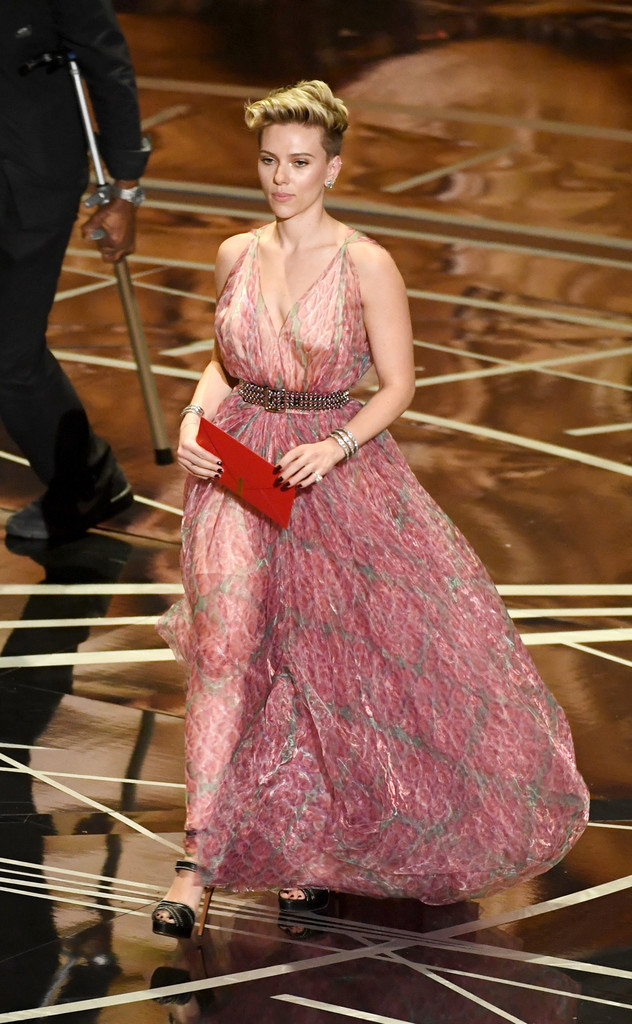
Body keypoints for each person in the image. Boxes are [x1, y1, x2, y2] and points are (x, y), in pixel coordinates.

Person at [154, 80, 589, 937]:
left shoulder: (366, 265)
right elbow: (223, 363)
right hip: (238, 466)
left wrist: (336, 445)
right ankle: (196, 861)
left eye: (299, 163)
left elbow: (397, 385)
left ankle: (303, 846)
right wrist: (191, 420)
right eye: (269, 161)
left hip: (327, 474)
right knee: (228, 651)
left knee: (322, 662)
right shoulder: (235, 253)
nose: (281, 178)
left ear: (332, 168)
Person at [0, 0, 150, 541]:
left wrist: (126, 188)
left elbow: (106, 62)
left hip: (27, 179)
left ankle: (87, 482)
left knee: (10, 355)